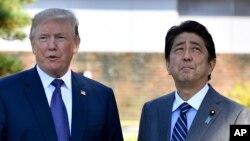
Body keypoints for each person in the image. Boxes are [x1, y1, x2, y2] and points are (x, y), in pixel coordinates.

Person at [0, 8, 123, 141]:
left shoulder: (101, 96)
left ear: (76, 44)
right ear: (33, 45)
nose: (52, 46)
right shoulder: (5, 92)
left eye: (60, 37)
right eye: (43, 38)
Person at [138, 20, 250, 141]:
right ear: (168, 64)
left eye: (195, 49)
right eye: (179, 49)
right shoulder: (151, 111)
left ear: (211, 65)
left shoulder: (238, 116)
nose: (187, 56)